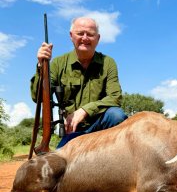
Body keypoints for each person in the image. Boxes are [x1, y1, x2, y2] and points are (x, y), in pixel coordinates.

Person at [31, 17, 128, 148]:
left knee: (116, 115)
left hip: (101, 126)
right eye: (80, 33)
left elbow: (115, 97)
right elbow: (37, 97)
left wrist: (84, 111)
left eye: (90, 34)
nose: (85, 38)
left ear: (98, 38)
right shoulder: (58, 63)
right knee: (57, 165)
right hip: (72, 130)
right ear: (71, 36)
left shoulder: (108, 63)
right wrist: (40, 66)